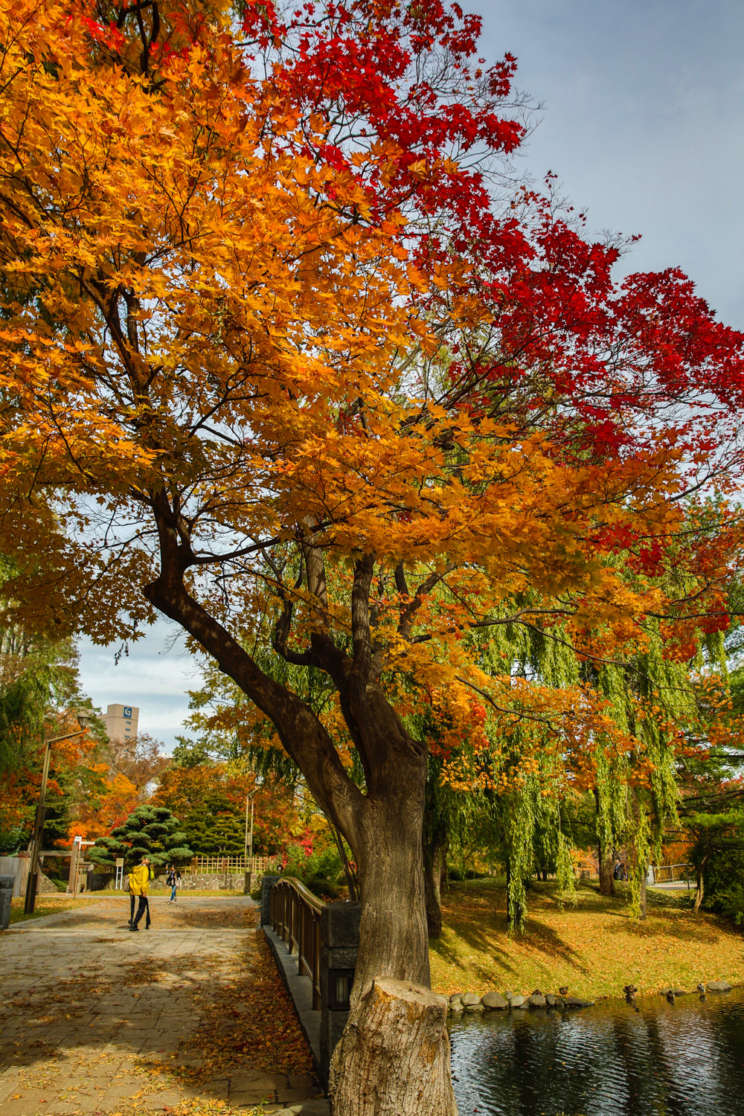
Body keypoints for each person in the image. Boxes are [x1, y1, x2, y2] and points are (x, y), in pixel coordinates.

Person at [129, 855, 153, 931]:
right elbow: (144, 881)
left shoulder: (137, 868)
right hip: (141, 891)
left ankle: (136, 923)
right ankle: (134, 924)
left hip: (135, 889)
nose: (149, 861)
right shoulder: (144, 869)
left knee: (141, 907)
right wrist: (144, 891)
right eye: (148, 859)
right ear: (144, 860)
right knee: (142, 908)